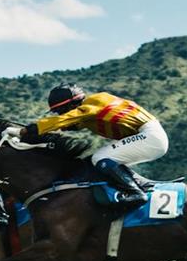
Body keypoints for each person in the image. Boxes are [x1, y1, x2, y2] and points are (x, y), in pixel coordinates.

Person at [11, 83, 168, 208]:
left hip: (149, 135)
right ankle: (140, 184)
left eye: (61, 110)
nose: (60, 114)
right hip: (148, 135)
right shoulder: (91, 109)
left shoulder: (94, 102)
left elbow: (68, 119)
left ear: (72, 104)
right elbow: (76, 121)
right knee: (101, 160)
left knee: (101, 158)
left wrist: (26, 130)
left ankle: (135, 193)